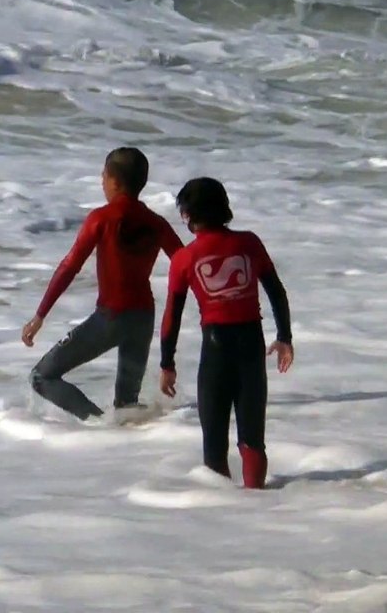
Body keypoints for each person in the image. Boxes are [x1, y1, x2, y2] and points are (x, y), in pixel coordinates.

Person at [21, 147, 183, 420]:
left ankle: (97, 423)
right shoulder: (157, 223)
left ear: (115, 182)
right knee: (126, 406)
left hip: (110, 318)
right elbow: (185, 264)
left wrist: (40, 316)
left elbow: (69, 266)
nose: (101, 181)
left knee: (41, 376)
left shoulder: (101, 218)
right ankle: (116, 437)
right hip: (143, 318)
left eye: (103, 176)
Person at [158, 178, 293, 489]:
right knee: (252, 439)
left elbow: (172, 317)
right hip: (251, 345)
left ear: (188, 215)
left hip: (216, 348)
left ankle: (223, 518)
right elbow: (276, 291)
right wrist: (284, 336)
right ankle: (257, 502)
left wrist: (167, 364)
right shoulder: (249, 243)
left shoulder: (184, 259)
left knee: (214, 443)